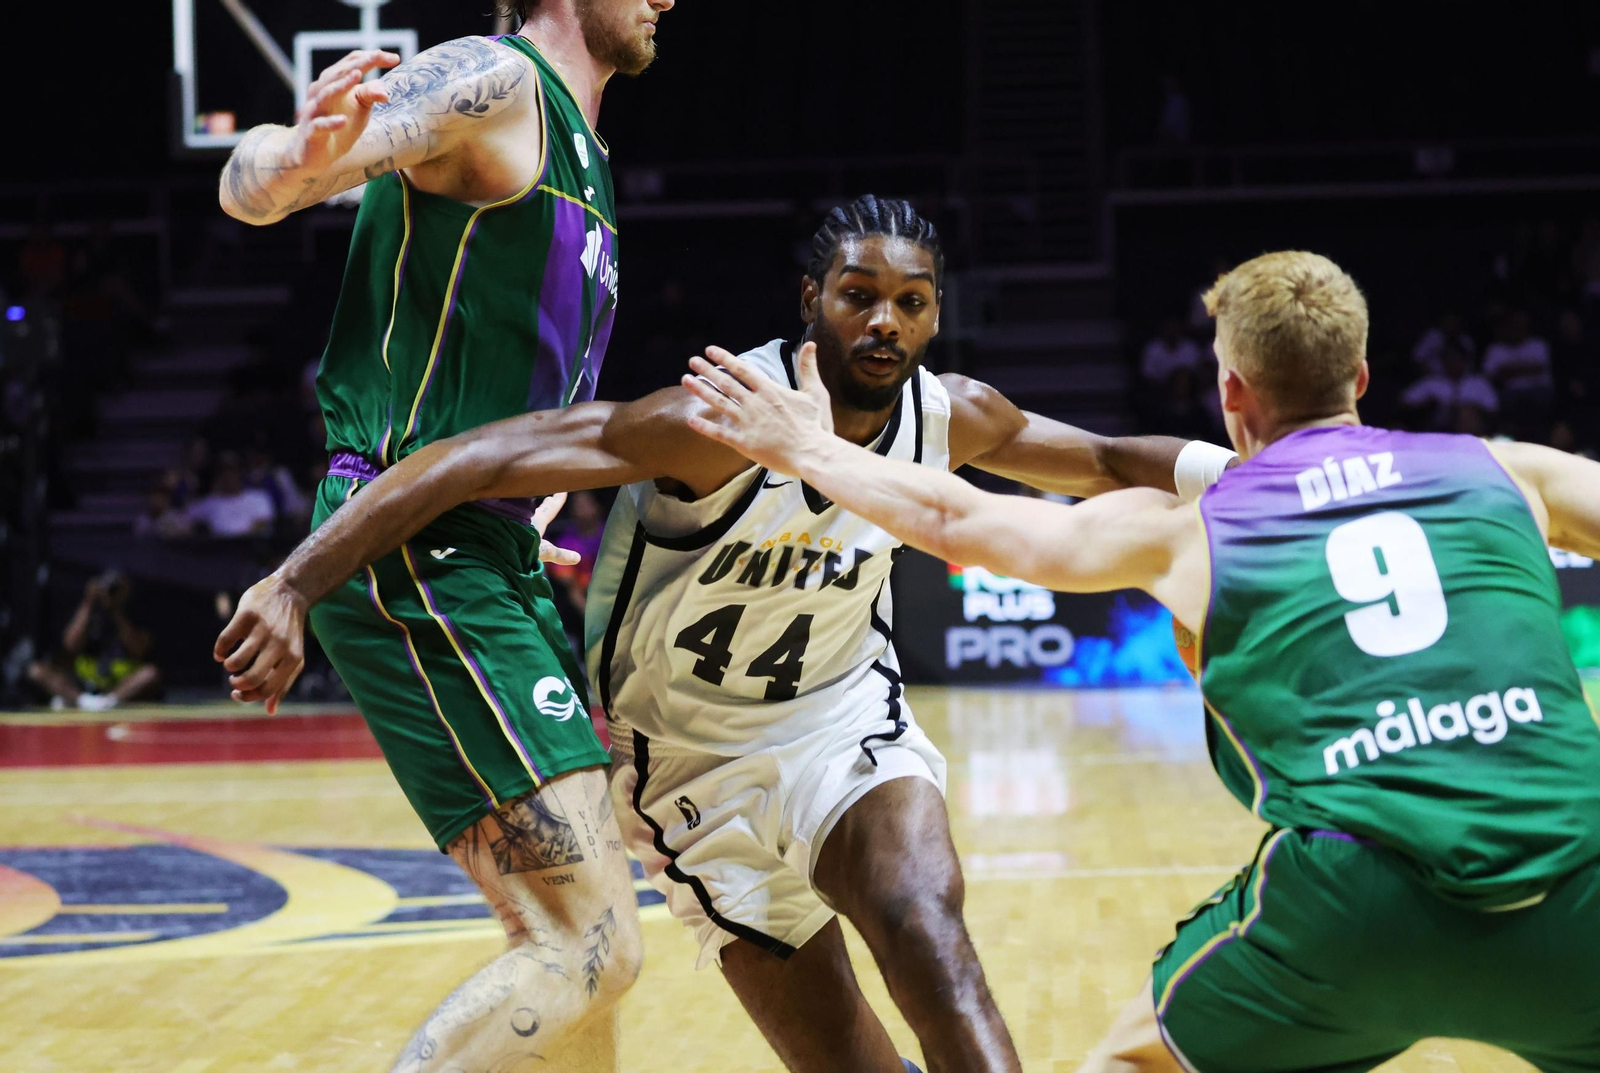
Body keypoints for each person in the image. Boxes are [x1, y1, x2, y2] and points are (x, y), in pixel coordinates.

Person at [214, 195, 1237, 1073]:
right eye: (859, 295)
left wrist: (1253, 467)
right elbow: (478, 455)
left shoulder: (951, 414)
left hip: (841, 722)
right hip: (686, 771)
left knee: (922, 918)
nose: (885, 321)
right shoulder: (713, 421)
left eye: (912, 301)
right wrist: (298, 581)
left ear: (936, 314)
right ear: (811, 299)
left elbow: (1107, 458)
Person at [683, 249, 1600, 1073]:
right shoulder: (1508, 469)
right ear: (1360, 375)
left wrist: (802, 445)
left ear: (1231, 390)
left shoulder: (1198, 527)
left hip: (1355, 901)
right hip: (1577, 879)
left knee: (1132, 1060)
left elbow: (959, 519)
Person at [216, 2, 673, 1070]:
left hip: (486, 547)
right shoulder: (495, 82)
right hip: (413, 543)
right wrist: (299, 156)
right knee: (587, 944)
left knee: (583, 964)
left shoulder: (586, 152)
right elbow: (253, 183)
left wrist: (522, 503)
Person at [28, 571, 162, 711]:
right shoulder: (84, 608)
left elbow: (138, 649)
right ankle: (84, 701)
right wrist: (89, 601)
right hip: (83, 682)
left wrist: (116, 610)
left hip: (118, 684)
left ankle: (107, 702)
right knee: (36, 670)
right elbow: (70, 645)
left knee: (150, 673)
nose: (109, 591)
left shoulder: (135, 611)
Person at [1398, 343, 1498, 432]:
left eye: (1456, 359)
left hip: (1471, 433)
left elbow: (1493, 410)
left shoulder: (1479, 383)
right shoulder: (1432, 382)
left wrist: (1470, 409)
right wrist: (1428, 406)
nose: (1452, 363)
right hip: (1437, 431)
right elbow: (1403, 402)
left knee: (1466, 412)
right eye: (1448, 359)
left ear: (1465, 361)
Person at [185, 451, 276, 538]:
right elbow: (183, 520)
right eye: (223, 471)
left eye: (233, 470)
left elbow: (262, 524)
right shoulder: (210, 503)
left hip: (251, 546)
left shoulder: (259, 498)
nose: (229, 475)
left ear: (240, 472)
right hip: (219, 547)